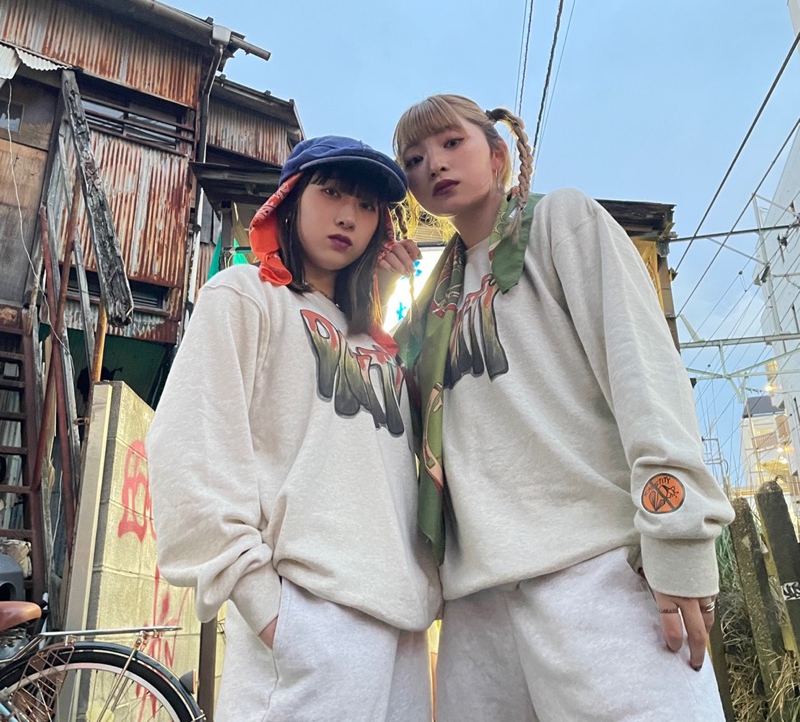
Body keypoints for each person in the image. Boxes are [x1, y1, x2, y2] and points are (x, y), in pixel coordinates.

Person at [391, 94, 735, 722]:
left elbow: (643, 374)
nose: (433, 164)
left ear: (498, 154)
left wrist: (678, 540)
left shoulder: (561, 222)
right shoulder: (433, 301)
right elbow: (394, 421)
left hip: (596, 572)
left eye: (451, 143)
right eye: (414, 159)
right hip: (476, 605)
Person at [146, 136, 441, 722]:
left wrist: (383, 303)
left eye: (366, 205)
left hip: (404, 628)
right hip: (309, 617)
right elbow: (190, 447)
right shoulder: (244, 296)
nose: (347, 216)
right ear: (289, 199)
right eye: (330, 192)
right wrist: (268, 609)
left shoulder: (375, 342)